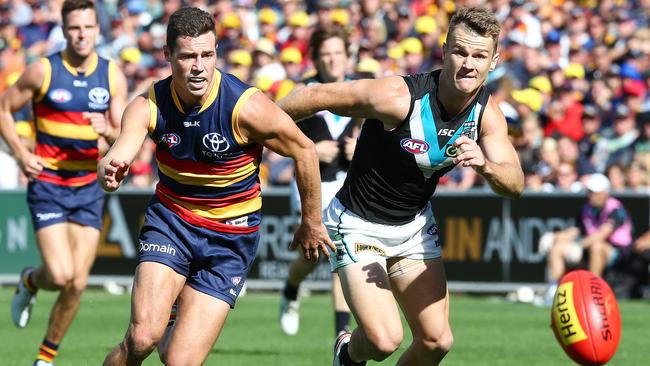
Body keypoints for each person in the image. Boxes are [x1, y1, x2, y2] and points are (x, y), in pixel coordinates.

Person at [279, 7, 524, 366]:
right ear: (443, 50)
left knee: (436, 341)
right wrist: (251, 121)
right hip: (358, 223)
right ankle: (345, 352)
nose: (468, 64)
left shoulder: (486, 114)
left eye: (479, 55)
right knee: (383, 340)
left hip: (414, 229)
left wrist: (486, 166)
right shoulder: (398, 97)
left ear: (494, 61)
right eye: (459, 51)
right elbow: (317, 95)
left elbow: (515, 183)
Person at [100, 7, 332, 366]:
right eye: (188, 56)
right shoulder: (150, 103)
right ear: (167, 56)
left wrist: (312, 221)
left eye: (207, 55)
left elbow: (305, 150)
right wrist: (111, 168)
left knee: (179, 361)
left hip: (230, 239)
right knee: (143, 337)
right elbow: (122, 148)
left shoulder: (245, 107)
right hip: (172, 223)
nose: (199, 67)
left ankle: (173, 313)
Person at [0, 1, 128, 365]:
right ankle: (29, 281)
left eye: (88, 27)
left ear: (98, 31)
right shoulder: (43, 71)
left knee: (78, 283)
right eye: (75, 28)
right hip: (50, 185)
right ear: (64, 30)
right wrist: (21, 155)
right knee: (58, 274)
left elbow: (121, 136)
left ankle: (45, 357)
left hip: (88, 187)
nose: (82, 34)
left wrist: (110, 132)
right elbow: (4, 109)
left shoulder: (112, 75)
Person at [279, 26, 356, 337]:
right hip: (312, 186)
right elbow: (276, 132)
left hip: (350, 185)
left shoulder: (362, 90)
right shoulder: (303, 93)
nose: (333, 60)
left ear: (348, 56)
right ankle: (291, 286)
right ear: (315, 58)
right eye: (326, 54)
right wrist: (308, 150)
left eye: (338, 53)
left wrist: (361, 148)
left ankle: (342, 332)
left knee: (342, 249)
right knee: (312, 256)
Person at [539, 173, 633, 303]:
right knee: (558, 248)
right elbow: (576, 230)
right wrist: (554, 237)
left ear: (605, 193)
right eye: (590, 192)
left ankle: (593, 293)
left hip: (617, 252)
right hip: (588, 246)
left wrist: (578, 246)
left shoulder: (616, 209)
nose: (591, 195)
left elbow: (602, 235)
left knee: (597, 246)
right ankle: (553, 291)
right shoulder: (586, 208)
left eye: (595, 192)